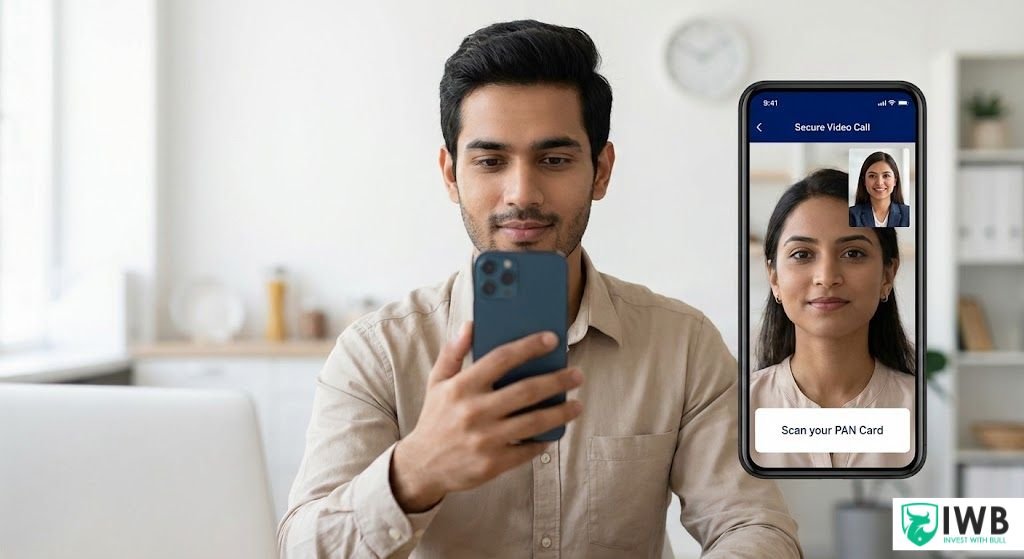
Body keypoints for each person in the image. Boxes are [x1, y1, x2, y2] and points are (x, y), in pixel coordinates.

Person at [277, 20, 802, 558]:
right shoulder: (378, 353)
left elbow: (754, 526)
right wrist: (416, 469)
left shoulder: (683, 344)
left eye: (554, 160)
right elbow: (302, 548)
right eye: (490, 161)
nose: (522, 193)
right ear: (451, 174)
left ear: (600, 171)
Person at [751, 169, 916, 469]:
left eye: (853, 253)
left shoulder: (926, 411)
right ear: (773, 276)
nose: (826, 278)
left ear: (888, 274)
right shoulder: (732, 410)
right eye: (802, 254)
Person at [848, 151, 911, 227]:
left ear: (895, 181)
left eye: (886, 176)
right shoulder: (852, 215)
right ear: (864, 181)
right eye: (872, 176)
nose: (879, 183)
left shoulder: (909, 214)